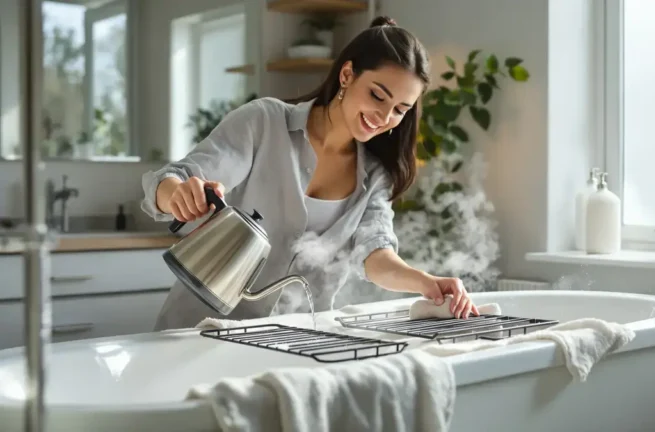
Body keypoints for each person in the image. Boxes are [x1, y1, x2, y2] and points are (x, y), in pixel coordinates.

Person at [141, 16, 479, 331]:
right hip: (198, 330)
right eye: (377, 95)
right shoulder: (265, 123)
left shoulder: (376, 175)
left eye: (399, 111)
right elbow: (176, 178)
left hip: (291, 339)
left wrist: (427, 283)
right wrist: (179, 193)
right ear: (347, 75)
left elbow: (375, 255)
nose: (384, 116)